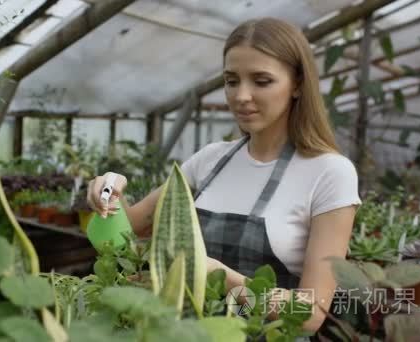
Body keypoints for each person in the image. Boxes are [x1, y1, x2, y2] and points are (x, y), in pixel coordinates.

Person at [87, 17, 361, 335]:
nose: (241, 96)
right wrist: (110, 189)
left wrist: (221, 278)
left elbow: (310, 314)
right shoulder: (210, 160)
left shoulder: (329, 173)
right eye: (232, 81)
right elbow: (123, 239)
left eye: (261, 81)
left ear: (298, 84)